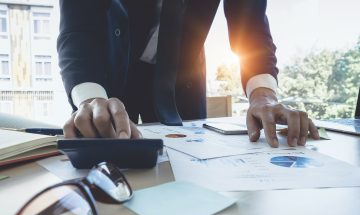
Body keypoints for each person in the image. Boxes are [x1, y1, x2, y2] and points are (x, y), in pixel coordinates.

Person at [57, 0, 319, 147]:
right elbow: (78, 27)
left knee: (189, 169)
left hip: (182, 81)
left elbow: (250, 26)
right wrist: (90, 98)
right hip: (109, 77)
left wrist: (263, 95)